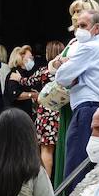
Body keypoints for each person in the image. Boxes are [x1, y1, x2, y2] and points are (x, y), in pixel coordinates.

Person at [54, 8, 99, 192]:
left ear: (97, 28)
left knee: (76, 162)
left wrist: (64, 65)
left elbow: (61, 76)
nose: (78, 30)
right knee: (96, 163)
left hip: (88, 109)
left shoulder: (90, 47)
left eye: (83, 25)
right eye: (77, 26)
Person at [34, 40, 64, 177]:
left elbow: (28, 81)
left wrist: (18, 78)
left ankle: (46, 184)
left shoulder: (44, 71)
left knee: (46, 151)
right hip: (61, 112)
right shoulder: (65, 70)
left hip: (46, 113)